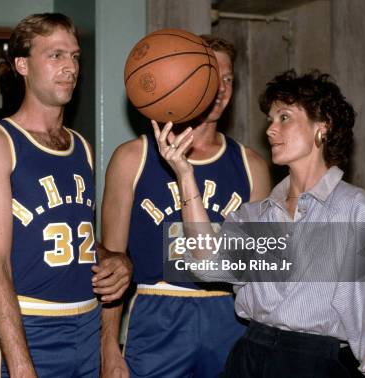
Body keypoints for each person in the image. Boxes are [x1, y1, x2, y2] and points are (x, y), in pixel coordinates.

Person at [158, 70, 365, 377]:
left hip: (317, 365)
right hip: (250, 358)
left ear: (322, 126)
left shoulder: (357, 209)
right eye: (270, 121)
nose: (271, 131)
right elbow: (206, 263)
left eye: (284, 117)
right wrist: (185, 175)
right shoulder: (254, 216)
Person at [0, 13, 131, 377]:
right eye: (55, 56)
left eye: (74, 57)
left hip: (86, 325)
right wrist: (20, 364)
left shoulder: (81, 147)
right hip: (29, 327)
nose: (70, 67)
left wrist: (117, 260)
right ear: (22, 64)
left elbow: (73, 239)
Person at [100, 37, 270, 377]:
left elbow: (259, 270)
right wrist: (107, 348)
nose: (220, 88)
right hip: (156, 315)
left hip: (229, 317)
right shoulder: (132, 158)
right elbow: (111, 264)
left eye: (228, 79)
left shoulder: (253, 165)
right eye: (211, 76)